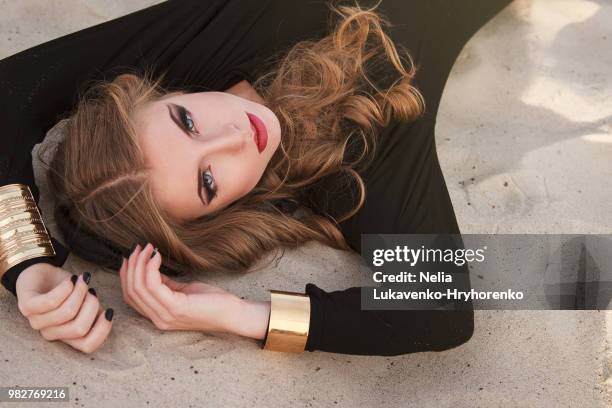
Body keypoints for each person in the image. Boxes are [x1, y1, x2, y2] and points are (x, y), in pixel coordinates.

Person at [0, 0, 513, 355]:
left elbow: (8, 91)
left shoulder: (205, 35)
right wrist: (242, 316)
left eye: (187, 121)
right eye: (208, 181)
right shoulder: (353, 168)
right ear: (216, 218)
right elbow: (439, 311)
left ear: (153, 92)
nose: (234, 137)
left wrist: (24, 262)